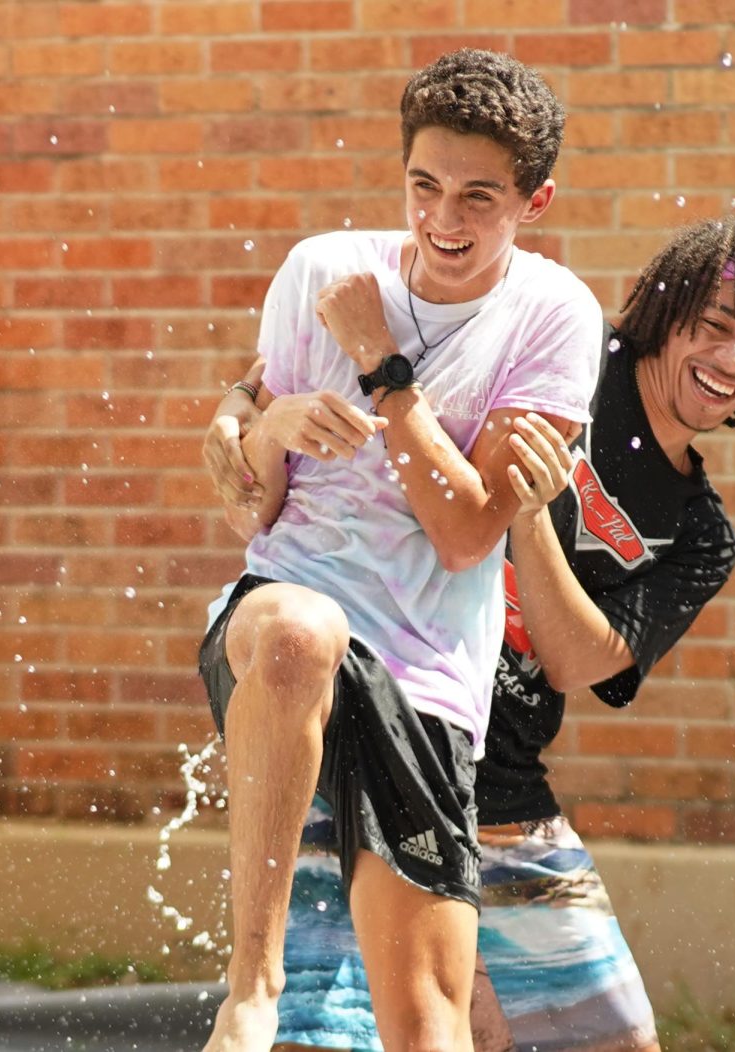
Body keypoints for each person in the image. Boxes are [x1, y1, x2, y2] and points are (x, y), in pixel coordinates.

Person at [203, 216, 735, 1051]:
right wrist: (239, 400)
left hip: (507, 788)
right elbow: (349, 352)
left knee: (618, 1040)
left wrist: (526, 516)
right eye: (715, 328)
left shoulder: (699, 535)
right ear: (670, 317)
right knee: (340, 1034)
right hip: (384, 733)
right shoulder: (571, 350)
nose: (734, 361)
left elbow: (575, 660)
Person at [196, 48, 604, 1052]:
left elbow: (468, 534)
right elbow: (254, 509)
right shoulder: (319, 269)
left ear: (534, 200)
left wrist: (385, 364)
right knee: (302, 627)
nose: (443, 222)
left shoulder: (553, 316)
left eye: (478, 197)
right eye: (424, 187)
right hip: (283, 614)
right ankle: (251, 988)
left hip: (427, 672)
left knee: (427, 1023)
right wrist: (264, 421)